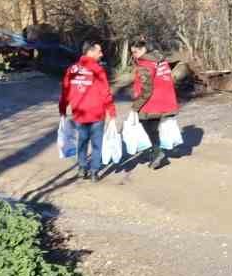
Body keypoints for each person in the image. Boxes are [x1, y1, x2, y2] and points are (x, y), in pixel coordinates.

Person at [58, 40, 116, 181]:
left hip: (79, 114)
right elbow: (105, 92)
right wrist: (111, 111)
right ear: (90, 52)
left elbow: (65, 91)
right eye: (99, 51)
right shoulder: (97, 69)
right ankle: (94, 172)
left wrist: (63, 109)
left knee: (82, 142)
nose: (101, 54)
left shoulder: (72, 69)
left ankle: (82, 168)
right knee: (97, 144)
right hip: (96, 114)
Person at [129, 39, 178, 171]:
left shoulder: (145, 64)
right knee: (153, 128)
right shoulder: (161, 60)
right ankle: (155, 152)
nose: (134, 54)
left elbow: (147, 88)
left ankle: (157, 152)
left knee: (147, 127)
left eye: (136, 51)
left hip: (150, 103)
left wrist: (136, 106)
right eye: (132, 52)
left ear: (144, 49)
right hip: (164, 100)